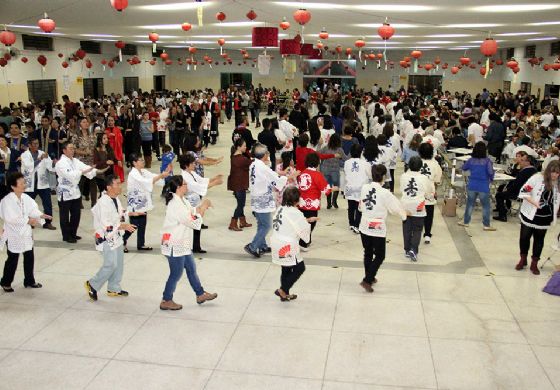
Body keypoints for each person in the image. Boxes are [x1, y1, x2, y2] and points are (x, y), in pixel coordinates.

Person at [160, 175, 217, 310]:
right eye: (185, 184)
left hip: (182, 241)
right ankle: (166, 300)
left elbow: (191, 212)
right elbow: (192, 221)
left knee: (191, 268)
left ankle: (200, 294)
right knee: (176, 273)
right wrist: (203, 207)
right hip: (174, 243)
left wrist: (200, 208)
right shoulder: (175, 204)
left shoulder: (182, 199)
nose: (187, 186)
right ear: (179, 188)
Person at [84, 175, 136, 301]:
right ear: (109, 187)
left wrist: (130, 213)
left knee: (118, 263)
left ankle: (113, 287)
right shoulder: (103, 202)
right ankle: (92, 284)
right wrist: (122, 226)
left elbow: (120, 213)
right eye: (117, 184)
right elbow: (106, 224)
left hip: (116, 236)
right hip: (106, 238)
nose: (120, 186)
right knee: (110, 264)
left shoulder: (115, 199)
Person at [358, 164, 407, 293]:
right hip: (377, 226)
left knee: (368, 252)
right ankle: (367, 280)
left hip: (364, 224)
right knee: (380, 255)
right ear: (384, 176)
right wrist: (404, 216)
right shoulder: (385, 192)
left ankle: (370, 276)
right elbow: (396, 207)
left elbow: (360, 205)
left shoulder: (364, 188)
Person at [0, 172, 52, 292]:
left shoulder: (25, 197)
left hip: (25, 233)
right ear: (13, 186)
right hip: (13, 233)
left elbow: (33, 209)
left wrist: (41, 215)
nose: (24, 185)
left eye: (24, 182)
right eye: (22, 183)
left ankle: (29, 280)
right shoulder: (7, 201)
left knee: (29, 256)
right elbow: (11, 218)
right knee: (13, 258)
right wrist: (28, 221)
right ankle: (5, 281)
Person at [244, 143, 295, 258]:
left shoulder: (254, 164)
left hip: (256, 197)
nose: (268, 154)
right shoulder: (262, 167)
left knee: (261, 224)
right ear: (264, 155)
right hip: (262, 199)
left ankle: (262, 245)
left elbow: (270, 175)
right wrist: (291, 176)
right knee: (266, 226)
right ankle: (253, 246)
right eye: (267, 153)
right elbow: (276, 179)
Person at [271, 186, 316, 301]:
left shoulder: (281, 208)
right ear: (296, 200)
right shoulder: (296, 213)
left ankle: (284, 294)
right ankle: (283, 289)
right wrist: (308, 223)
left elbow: (289, 223)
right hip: (286, 245)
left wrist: (306, 220)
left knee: (285, 268)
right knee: (300, 268)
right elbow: (304, 233)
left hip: (276, 241)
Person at [515, 160, 560, 275]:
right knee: (524, 237)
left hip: (545, 217)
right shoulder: (537, 178)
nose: (554, 175)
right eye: (553, 172)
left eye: (558, 173)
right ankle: (523, 259)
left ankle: (534, 263)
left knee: (539, 240)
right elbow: (523, 192)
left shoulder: (558, 184)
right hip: (530, 213)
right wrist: (535, 203)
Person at [123, 154, 171, 252]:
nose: (143, 161)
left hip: (143, 203)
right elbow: (146, 182)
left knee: (143, 224)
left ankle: (141, 244)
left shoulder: (143, 171)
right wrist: (161, 176)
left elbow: (154, 177)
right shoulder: (133, 173)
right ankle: (121, 241)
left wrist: (164, 174)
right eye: (140, 160)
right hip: (135, 204)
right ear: (134, 163)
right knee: (134, 225)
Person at [55, 142, 100, 243]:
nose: (73, 150)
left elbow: (85, 167)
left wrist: (95, 170)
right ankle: (66, 236)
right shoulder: (60, 163)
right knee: (64, 216)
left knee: (76, 214)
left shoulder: (75, 161)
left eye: (73, 148)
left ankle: (73, 233)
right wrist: (82, 172)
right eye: (70, 148)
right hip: (65, 193)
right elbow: (70, 175)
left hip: (75, 192)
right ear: (64, 150)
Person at [179, 153, 223, 253]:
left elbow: (201, 181)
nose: (195, 165)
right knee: (193, 224)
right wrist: (215, 183)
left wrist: (214, 178)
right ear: (186, 165)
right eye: (193, 163)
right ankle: (191, 246)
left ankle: (196, 246)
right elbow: (197, 187)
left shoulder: (191, 173)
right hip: (189, 202)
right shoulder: (185, 176)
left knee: (197, 224)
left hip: (195, 200)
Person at [400, 156, 434, 262]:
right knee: (417, 229)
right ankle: (413, 250)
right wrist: (429, 196)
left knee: (406, 228)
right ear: (420, 166)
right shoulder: (424, 178)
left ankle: (407, 249)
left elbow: (402, 189)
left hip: (405, 205)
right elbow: (428, 192)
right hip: (418, 206)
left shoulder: (403, 176)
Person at [297, 152, 333, 249]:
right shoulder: (317, 175)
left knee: (303, 222)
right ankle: (303, 243)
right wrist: (332, 188)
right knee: (310, 224)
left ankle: (306, 240)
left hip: (301, 202)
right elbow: (326, 190)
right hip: (312, 204)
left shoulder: (302, 173)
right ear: (317, 163)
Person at [458, 142, 496, 231]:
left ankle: (466, 222)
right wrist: (491, 178)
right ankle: (486, 225)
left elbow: (463, 168)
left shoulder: (471, 160)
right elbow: (490, 172)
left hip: (472, 184)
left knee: (470, 204)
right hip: (483, 185)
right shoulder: (487, 161)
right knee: (486, 206)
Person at [21, 138, 56, 230]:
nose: (36, 145)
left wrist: (53, 163)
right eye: (34, 144)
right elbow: (29, 167)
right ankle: (29, 222)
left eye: (37, 144)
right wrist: (40, 159)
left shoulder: (42, 153)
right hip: (29, 184)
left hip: (42, 183)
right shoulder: (24, 155)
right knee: (27, 205)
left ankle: (48, 223)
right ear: (29, 145)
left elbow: (50, 167)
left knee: (47, 203)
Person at [494, 150, 537, 222]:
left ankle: (502, 215)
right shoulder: (534, 171)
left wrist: (508, 189)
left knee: (499, 195)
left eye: (522, 160)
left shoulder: (524, 172)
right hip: (529, 194)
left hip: (520, 193)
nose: (520, 161)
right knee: (504, 190)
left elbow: (517, 185)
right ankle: (505, 208)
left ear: (528, 162)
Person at [344, 144, 371, 234]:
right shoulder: (365, 163)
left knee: (350, 206)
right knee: (359, 207)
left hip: (350, 187)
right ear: (361, 152)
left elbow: (346, 172)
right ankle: (356, 225)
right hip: (361, 187)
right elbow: (370, 175)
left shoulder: (347, 162)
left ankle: (351, 223)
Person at [418, 142, 442, 243]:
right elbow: (437, 179)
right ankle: (427, 234)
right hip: (429, 191)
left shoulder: (416, 161)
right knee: (429, 213)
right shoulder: (435, 164)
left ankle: (416, 232)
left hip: (418, 191)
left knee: (418, 212)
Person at [227, 138, 252, 231]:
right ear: (238, 147)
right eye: (244, 146)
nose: (246, 147)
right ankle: (233, 223)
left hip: (236, 184)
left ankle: (242, 221)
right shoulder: (241, 159)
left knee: (240, 203)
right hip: (239, 185)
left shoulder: (234, 156)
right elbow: (251, 163)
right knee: (240, 205)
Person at [105, 116, 124, 182]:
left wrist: (115, 136)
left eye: (111, 120)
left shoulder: (117, 129)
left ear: (114, 121)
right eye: (109, 120)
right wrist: (108, 136)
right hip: (109, 150)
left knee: (118, 162)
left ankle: (120, 177)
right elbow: (104, 141)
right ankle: (112, 179)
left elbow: (121, 140)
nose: (110, 122)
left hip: (117, 149)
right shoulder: (106, 130)